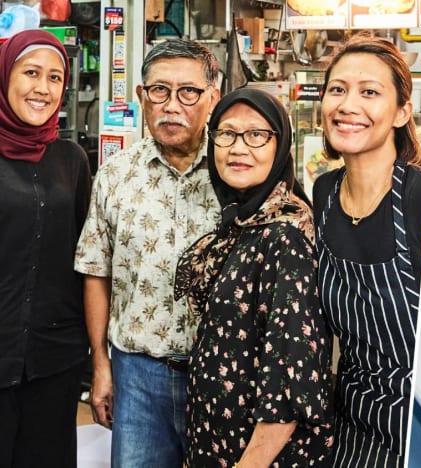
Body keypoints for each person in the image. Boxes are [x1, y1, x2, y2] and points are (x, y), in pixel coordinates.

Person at [74, 39, 221, 467]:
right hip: (137, 374)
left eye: (188, 92)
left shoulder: (238, 170)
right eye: (159, 90)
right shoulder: (116, 175)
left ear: (213, 97)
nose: (172, 105)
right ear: (141, 96)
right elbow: (95, 271)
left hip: (219, 376)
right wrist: (101, 364)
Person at [174, 87, 334, 467]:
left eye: (257, 135)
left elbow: (293, 380)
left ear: (280, 147)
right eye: (226, 133)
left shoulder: (285, 235)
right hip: (220, 444)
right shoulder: (245, 221)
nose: (237, 148)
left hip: (259, 456)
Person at [313, 34, 421, 467]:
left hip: (419, 424)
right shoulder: (323, 192)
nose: (348, 105)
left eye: (369, 92)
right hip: (350, 421)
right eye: (338, 90)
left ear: (402, 112)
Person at [0, 29, 92, 468]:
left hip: (53, 361)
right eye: (31, 73)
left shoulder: (71, 160)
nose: (43, 88)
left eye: (55, 78)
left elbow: (83, 255)